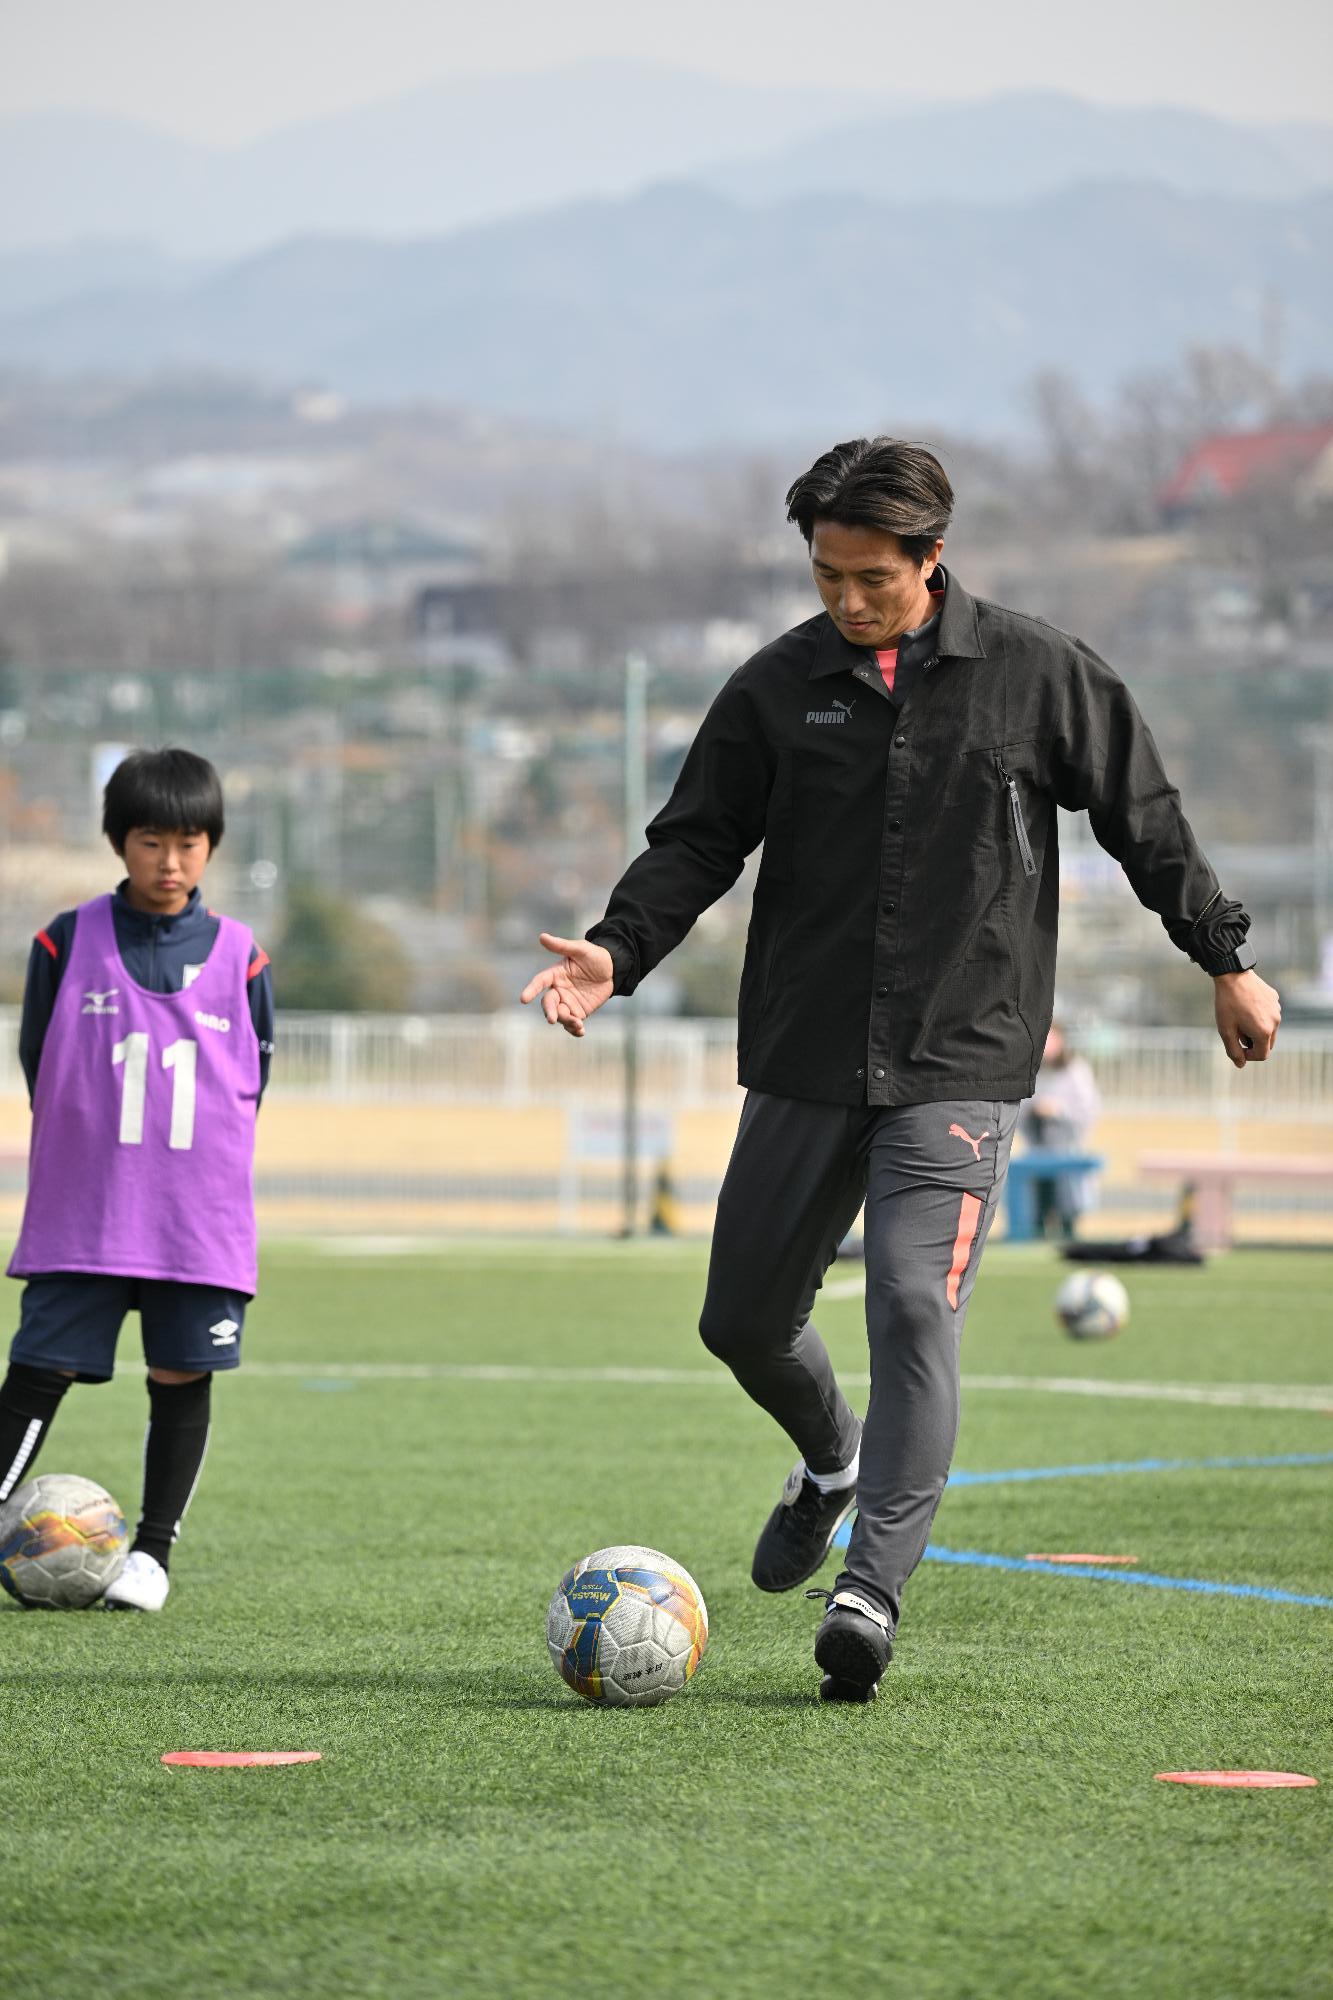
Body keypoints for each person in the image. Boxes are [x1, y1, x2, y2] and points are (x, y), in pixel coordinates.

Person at [521, 437, 1281, 1702]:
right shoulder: (776, 687)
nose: (845, 599)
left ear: (933, 559)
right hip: (808, 1052)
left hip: (961, 1054)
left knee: (913, 1304)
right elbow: (695, 841)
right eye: (826, 576)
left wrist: (1223, 956)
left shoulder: (1037, 672)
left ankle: (868, 1585)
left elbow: (1143, 816)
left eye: (870, 577)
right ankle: (830, 1457)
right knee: (742, 1319)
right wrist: (614, 949)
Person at [0, 748, 274, 1610]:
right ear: (119, 843)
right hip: (85, 1215)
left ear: (211, 847)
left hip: (195, 1224)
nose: (170, 863)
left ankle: (152, 1556)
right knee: (38, 1367)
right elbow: (40, 1061)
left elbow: (254, 1076)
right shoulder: (65, 939)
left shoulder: (243, 957)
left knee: (180, 1378)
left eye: (189, 843)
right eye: (151, 841)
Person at [1018, 1021, 1101, 1238]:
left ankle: (1068, 1229)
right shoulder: (1031, 1070)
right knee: (1038, 1200)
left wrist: (1058, 1110)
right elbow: (1020, 1108)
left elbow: (1087, 1108)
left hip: (1066, 1146)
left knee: (1066, 1200)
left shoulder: (1075, 1070)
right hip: (1038, 1147)